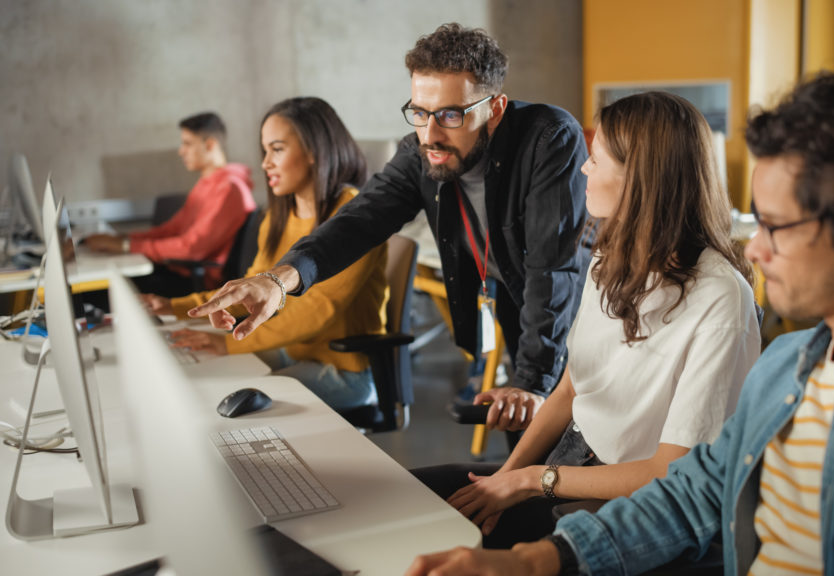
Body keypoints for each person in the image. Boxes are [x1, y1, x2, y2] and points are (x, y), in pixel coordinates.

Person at [406, 72, 834, 576]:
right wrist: (528, 563)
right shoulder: (788, 368)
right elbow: (691, 495)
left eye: (775, 227)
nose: (754, 249)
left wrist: (532, 491)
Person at [188, 23, 591, 431]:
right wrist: (278, 281)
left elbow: (551, 269)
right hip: (516, 301)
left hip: (586, 309)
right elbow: (357, 222)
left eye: (451, 115)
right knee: (521, 429)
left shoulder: (549, 139)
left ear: (495, 110)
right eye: (419, 112)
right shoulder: (421, 154)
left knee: (579, 434)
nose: (430, 135)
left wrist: (532, 380)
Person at [412, 92, 762, 549]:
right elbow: (570, 390)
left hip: (627, 503)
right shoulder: (611, 258)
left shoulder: (719, 298)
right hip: (568, 461)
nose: (583, 169)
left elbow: (671, 473)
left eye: (595, 159)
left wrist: (528, 482)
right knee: (406, 499)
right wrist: (503, 477)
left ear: (638, 177)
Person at [145, 98, 388, 411]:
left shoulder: (354, 216)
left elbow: (315, 312)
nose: (265, 163)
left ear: (314, 151)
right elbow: (254, 284)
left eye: (277, 149)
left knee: (222, 401)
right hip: (292, 350)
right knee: (200, 376)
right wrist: (176, 307)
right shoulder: (280, 216)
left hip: (345, 371)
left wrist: (228, 342)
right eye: (265, 151)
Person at [82, 112, 255, 297]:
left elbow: (192, 248)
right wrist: (122, 238)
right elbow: (171, 229)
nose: (181, 151)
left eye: (187, 143)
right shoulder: (207, 183)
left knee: (94, 291)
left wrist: (127, 246)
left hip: (193, 283)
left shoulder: (229, 189)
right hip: (176, 269)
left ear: (210, 144)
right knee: (97, 282)